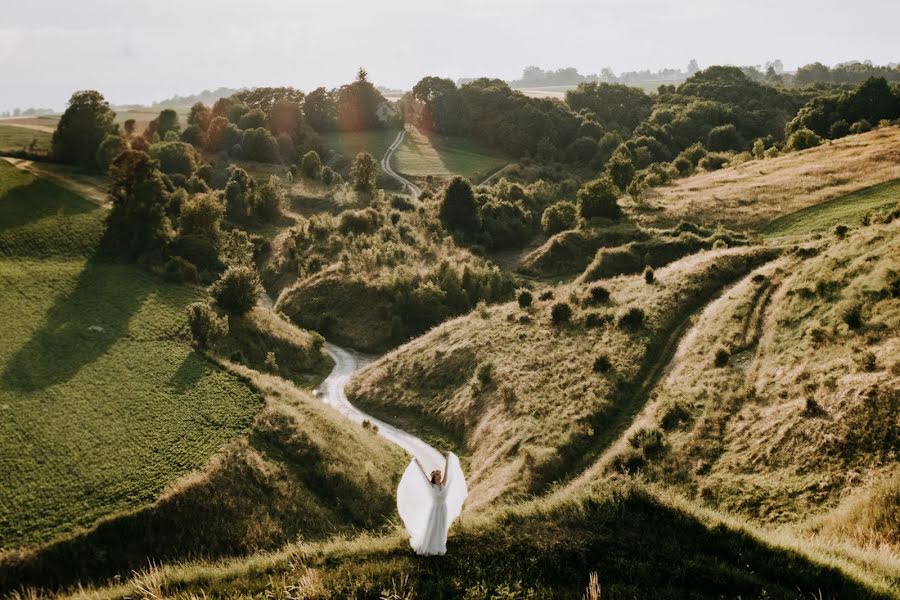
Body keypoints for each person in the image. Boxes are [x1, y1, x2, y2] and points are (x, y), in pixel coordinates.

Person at [396, 452, 468, 556]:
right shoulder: (431, 486)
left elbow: (447, 472)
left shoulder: (443, 484)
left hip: (443, 508)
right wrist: (417, 464)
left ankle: (439, 545)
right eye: (437, 475)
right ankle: (430, 546)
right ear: (434, 477)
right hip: (435, 510)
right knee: (433, 527)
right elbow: (423, 476)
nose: (439, 476)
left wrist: (448, 461)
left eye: (439, 475)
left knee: (441, 528)